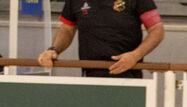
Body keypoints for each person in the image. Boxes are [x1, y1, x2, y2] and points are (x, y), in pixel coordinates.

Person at [37, 0, 165, 78]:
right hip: (91, 76)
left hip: (128, 75)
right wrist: (54, 50)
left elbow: (157, 30)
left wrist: (135, 55)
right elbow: (67, 29)